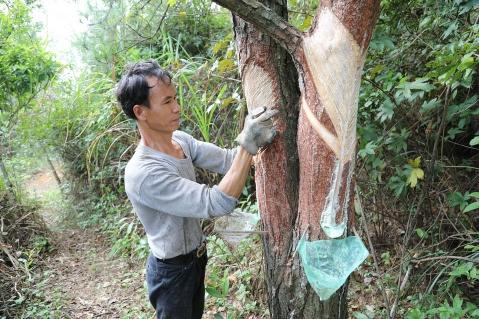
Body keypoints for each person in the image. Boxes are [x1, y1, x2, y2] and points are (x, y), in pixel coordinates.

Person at [115, 59, 278, 319]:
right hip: (171, 273)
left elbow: (227, 160)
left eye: (175, 99)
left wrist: (258, 138)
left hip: (195, 260)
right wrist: (249, 143)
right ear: (140, 112)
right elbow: (217, 203)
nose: (177, 108)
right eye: (167, 102)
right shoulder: (144, 173)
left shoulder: (179, 140)